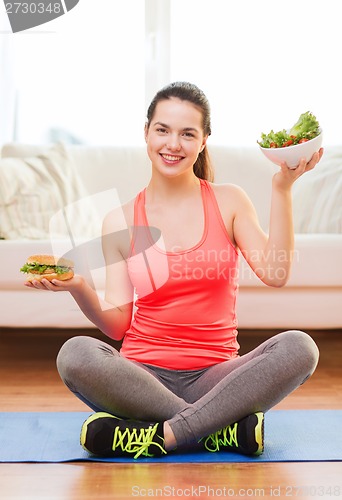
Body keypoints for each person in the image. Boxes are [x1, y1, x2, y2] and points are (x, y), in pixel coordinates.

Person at [25, 82, 322, 459]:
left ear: (203, 141)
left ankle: (155, 434)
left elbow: (275, 273)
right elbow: (118, 326)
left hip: (218, 379)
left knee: (300, 347)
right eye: (162, 130)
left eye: (187, 134)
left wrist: (282, 189)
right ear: (146, 133)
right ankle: (220, 430)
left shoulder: (229, 201)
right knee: (75, 354)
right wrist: (78, 286)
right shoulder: (120, 220)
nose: (173, 144)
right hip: (142, 378)